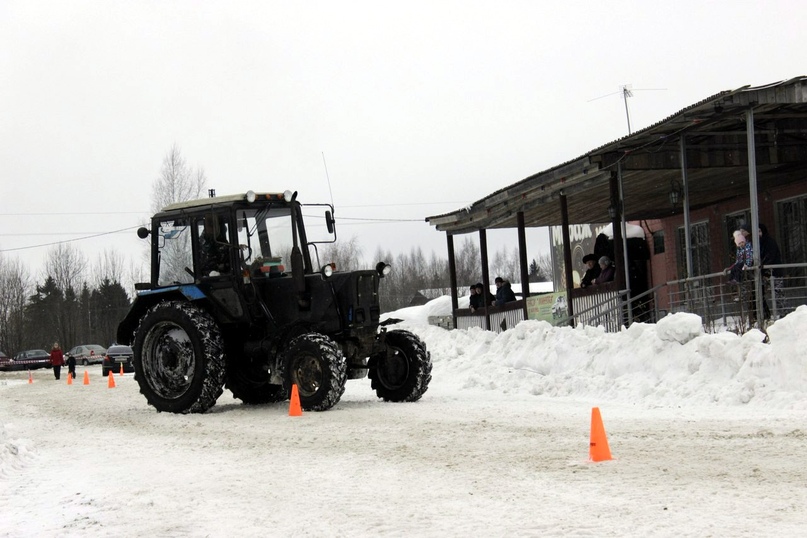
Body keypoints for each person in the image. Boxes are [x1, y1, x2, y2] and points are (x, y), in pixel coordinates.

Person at [758, 223, 786, 318]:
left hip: (774, 272)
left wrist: (763, 265)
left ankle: (783, 315)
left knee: (778, 294)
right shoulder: (758, 244)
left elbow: (771, 256)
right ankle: (766, 315)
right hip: (764, 274)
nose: (758, 234)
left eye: (759, 231)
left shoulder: (770, 242)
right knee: (762, 294)